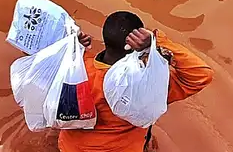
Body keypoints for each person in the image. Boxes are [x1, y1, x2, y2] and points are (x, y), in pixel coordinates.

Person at [60, 11, 214, 152]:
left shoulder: (75, 69)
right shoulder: (148, 84)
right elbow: (201, 74)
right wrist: (157, 42)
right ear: (135, 47)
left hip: (71, 148)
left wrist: (71, 48)